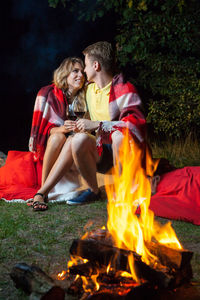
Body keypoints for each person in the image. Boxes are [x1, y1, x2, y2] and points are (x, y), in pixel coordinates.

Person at [31, 41, 147, 206]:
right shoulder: (89, 90)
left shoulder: (124, 89)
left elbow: (134, 126)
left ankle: (125, 190)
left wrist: (96, 124)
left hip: (124, 153)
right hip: (100, 153)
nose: (83, 72)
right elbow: (66, 90)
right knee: (76, 139)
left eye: (85, 66)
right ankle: (90, 190)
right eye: (78, 70)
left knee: (118, 135)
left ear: (96, 65)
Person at [29, 57, 86, 211]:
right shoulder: (47, 93)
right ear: (64, 73)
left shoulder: (85, 96)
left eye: (82, 71)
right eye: (75, 71)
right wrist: (62, 129)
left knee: (69, 139)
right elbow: (44, 130)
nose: (80, 75)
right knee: (57, 137)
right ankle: (43, 191)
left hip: (76, 148)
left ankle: (43, 192)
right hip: (52, 149)